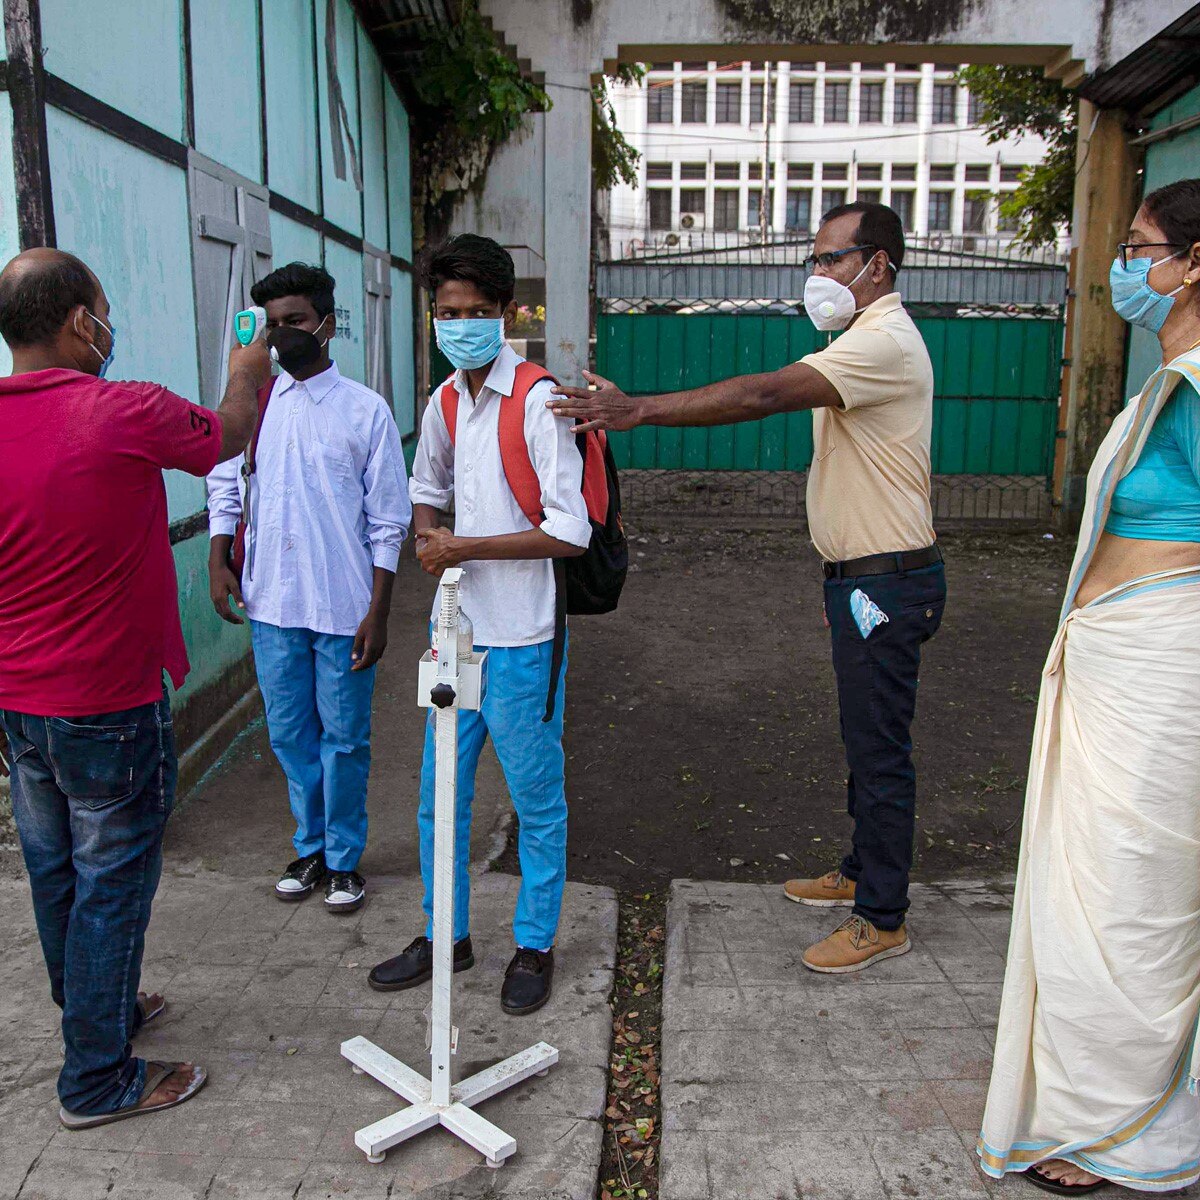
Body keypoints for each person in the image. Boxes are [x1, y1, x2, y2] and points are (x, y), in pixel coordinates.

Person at [550, 201, 945, 974]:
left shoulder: (884, 342)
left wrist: (638, 410)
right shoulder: (862, 340)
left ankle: (883, 915)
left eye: (832, 259)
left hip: (885, 585)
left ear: (879, 265)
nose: (816, 273)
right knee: (864, 739)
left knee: (880, 747)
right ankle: (862, 870)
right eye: (815, 257)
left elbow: (762, 395)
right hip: (868, 581)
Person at [0, 248, 269, 1127]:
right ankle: (98, 1078)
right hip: (107, 701)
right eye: (104, 311)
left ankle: (96, 1013)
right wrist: (243, 371)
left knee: (56, 871)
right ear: (82, 322)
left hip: (21, 704)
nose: (108, 327)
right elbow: (225, 435)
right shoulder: (120, 411)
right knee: (112, 880)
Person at [978, 181, 1200, 1196]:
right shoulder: (1167, 380)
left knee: (1131, 897)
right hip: (1114, 662)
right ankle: (1087, 1104)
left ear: (1192, 264)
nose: (1122, 263)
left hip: (1167, 672)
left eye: (1140, 246)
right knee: (1089, 895)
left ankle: (1130, 1127)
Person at [367, 234, 590, 1015]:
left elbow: (571, 531)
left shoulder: (536, 399)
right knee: (440, 797)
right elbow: (424, 482)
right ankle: (446, 935)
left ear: (504, 314)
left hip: (526, 635)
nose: (460, 323)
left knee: (536, 798)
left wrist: (467, 544)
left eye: (476, 311)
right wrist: (430, 533)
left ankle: (533, 945)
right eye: (447, 311)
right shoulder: (445, 400)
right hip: (453, 638)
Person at [207, 263, 411, 915]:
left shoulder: (365, 410)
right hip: (273, 605)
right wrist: (218, 556)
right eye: (270, 324)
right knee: (292, 735)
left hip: (345, 606)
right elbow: (224, 480)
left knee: (345, 739)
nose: (281, 334)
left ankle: (345, 859)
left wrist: (379, 610)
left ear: (326, 325)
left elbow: (388, 519)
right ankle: (312, 847)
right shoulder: (252, 404)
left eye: (293, 321)